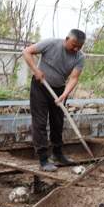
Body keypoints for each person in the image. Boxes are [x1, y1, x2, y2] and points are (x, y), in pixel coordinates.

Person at [22, 29, 86, 172]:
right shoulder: (51, 43)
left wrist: (65, 94)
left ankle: (58, 154)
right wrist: (35, 70)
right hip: (40, 87)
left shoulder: (80, 57)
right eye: (74, 45)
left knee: (57, 123)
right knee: (40, 122)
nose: (76, 49)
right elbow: (27, 52)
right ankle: (43, 159)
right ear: (67, 39)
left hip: (59, 90)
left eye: (79, 47)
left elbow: (74, 78)